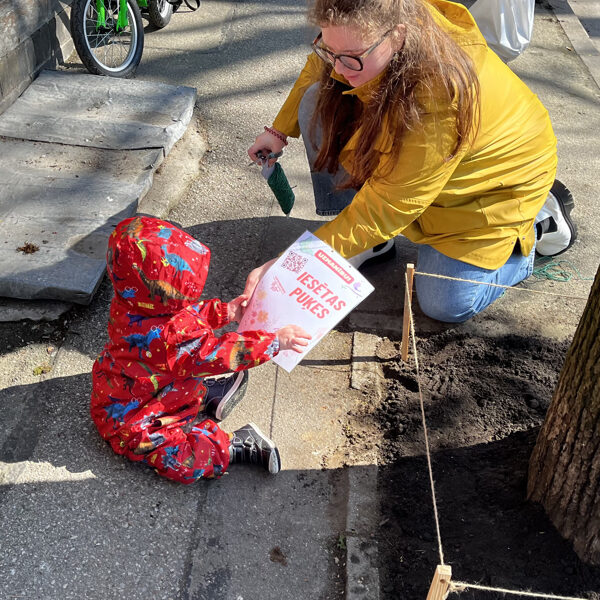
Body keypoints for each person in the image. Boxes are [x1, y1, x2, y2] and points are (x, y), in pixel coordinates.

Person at [246, 0, 577, 323]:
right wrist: (278, 131)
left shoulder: (440, 99)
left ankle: (537, 225)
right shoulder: (387, 18)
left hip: (493, 187)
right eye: (329, 51)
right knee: (318, 102)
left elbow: (388, 207)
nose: (337, 68)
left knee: (445, 304)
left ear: (397, 35)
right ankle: (369, 241)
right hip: (431, 165)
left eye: (352, 58)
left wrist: (294, 263)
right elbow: (321, 65)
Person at [91, 216, 311, 483]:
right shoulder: (172, 337)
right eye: (182, 294)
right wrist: (273, 341)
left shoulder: (130, 300)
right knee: (178, 461)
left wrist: (225, 311)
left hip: (136, 387)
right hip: (132, 418)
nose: (189, 300)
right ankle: (229, 439)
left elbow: (188, 315)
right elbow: (221, 353)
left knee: (177, 440)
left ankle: (206, 406)